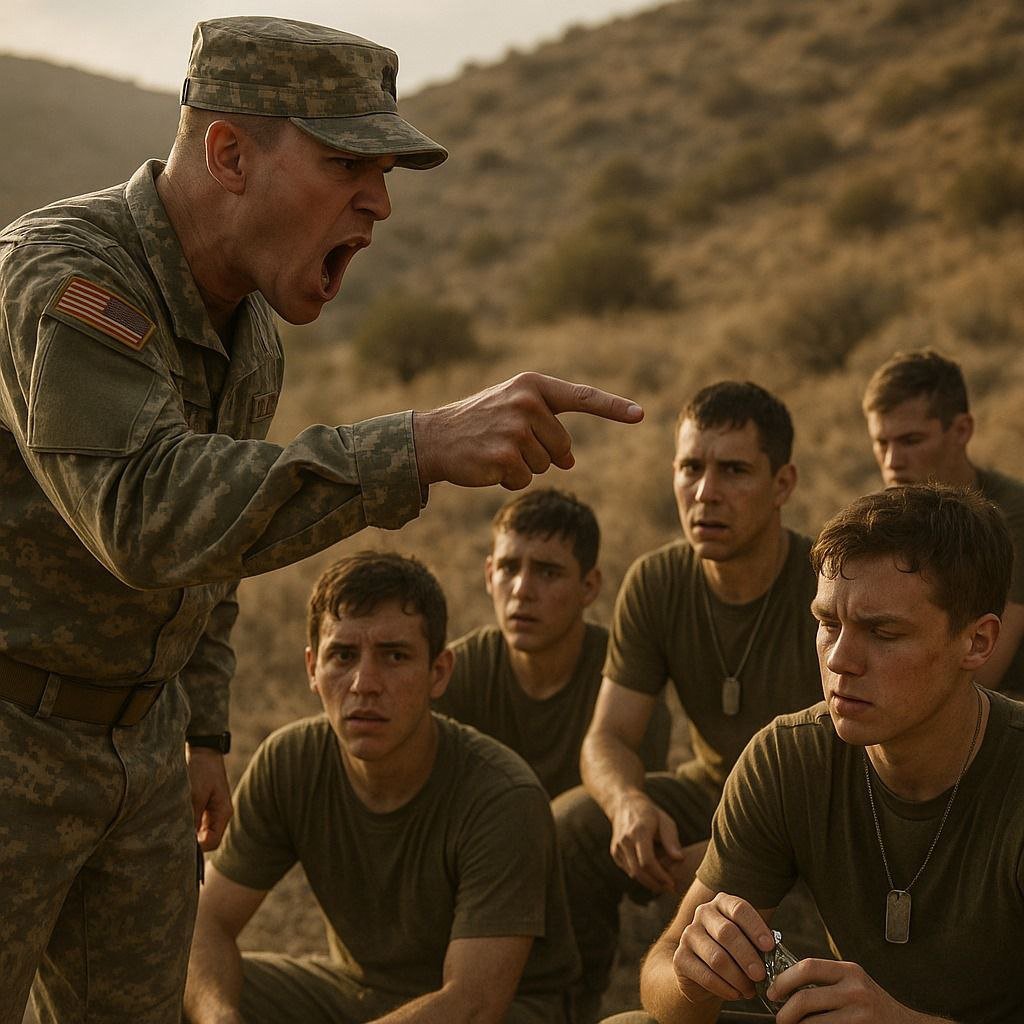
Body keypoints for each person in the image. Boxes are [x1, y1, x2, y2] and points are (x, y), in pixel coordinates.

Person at [0, 16, 641, 1024]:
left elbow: (213, 550)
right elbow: (146, 514)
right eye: (347, 164)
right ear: (229, 155)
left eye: (382, 173)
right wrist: (415, 445)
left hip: (140, 750)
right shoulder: (68, 280)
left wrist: (201, 725)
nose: (379, 202)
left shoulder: (250, 331)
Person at [640, 485, 1024, 1024]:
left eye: (883, 632)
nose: (840, 660)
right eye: (828, 624)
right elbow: (660, 976)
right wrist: (693, 975)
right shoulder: (790, 757)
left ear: (977, 642)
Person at [184, 551, 579, 1024]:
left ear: (439, 673)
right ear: (312, 669)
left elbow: (473, 1003)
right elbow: (207, 923)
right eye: (343, 656)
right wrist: (219, 1018)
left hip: (501, 1012)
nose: (365, 684)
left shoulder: (502, 796)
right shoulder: (290, 761)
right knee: (171, 980)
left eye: (395, 656)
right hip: (358, 996)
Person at [554, 381, 822, 1020]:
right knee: (574, 826)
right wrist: (628, 805)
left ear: (782, 484)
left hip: (811, 820)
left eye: (734, 471)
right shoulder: (658, 580)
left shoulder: (824, 587)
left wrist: (735, 857)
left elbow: (861, 775)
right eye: (690, 468)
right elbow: (607, 738)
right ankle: (563, 1005)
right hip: (710, 791)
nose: (705, 493)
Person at [435, 488, 669, 799]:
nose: (522, 590)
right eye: (509, 568)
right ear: (489, 576)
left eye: (548, 572)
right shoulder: (458, 673)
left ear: (589, 586)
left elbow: (639, 802)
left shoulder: (625, 679)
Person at [863, 347, 1024, 691]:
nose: (892, 461)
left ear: (962, 430)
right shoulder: (878, 523)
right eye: (881, 442)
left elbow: (979, 675)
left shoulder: (1013, 518)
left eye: (911, 440)